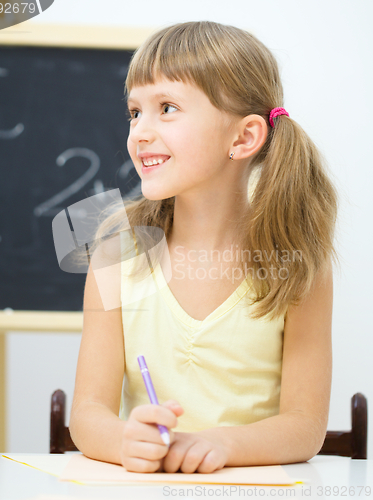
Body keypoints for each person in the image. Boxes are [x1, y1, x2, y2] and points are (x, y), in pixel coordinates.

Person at [69, 20, 340, 474]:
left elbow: (304, 425)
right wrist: (124, 439)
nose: (139, 132)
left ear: (243, 138)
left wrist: (222, 445)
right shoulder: (116, 260)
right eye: (135, 112)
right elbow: (87, 415)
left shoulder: (297, 265)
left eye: (167, 108)